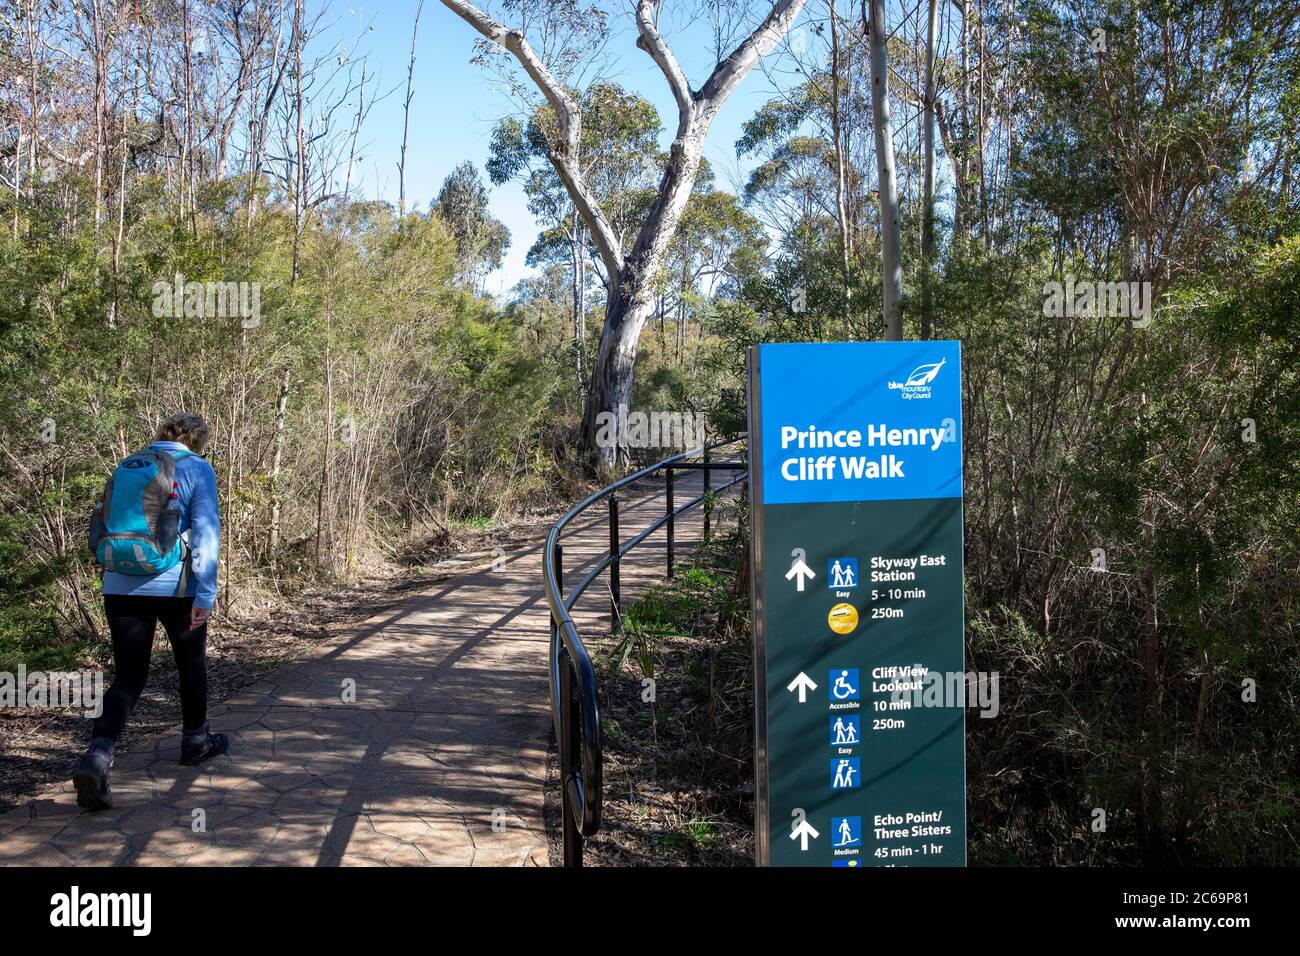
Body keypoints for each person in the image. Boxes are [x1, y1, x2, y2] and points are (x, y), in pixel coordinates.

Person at [73, 412, 227, 811]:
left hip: (120, 584)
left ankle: (97, 756)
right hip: (176, 587)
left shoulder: (130, 464)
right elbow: (207, 534)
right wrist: (206, 595)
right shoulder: (197, 468)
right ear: (197, 440)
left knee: (128, 678)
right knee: (190, 665)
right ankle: (195, 741)